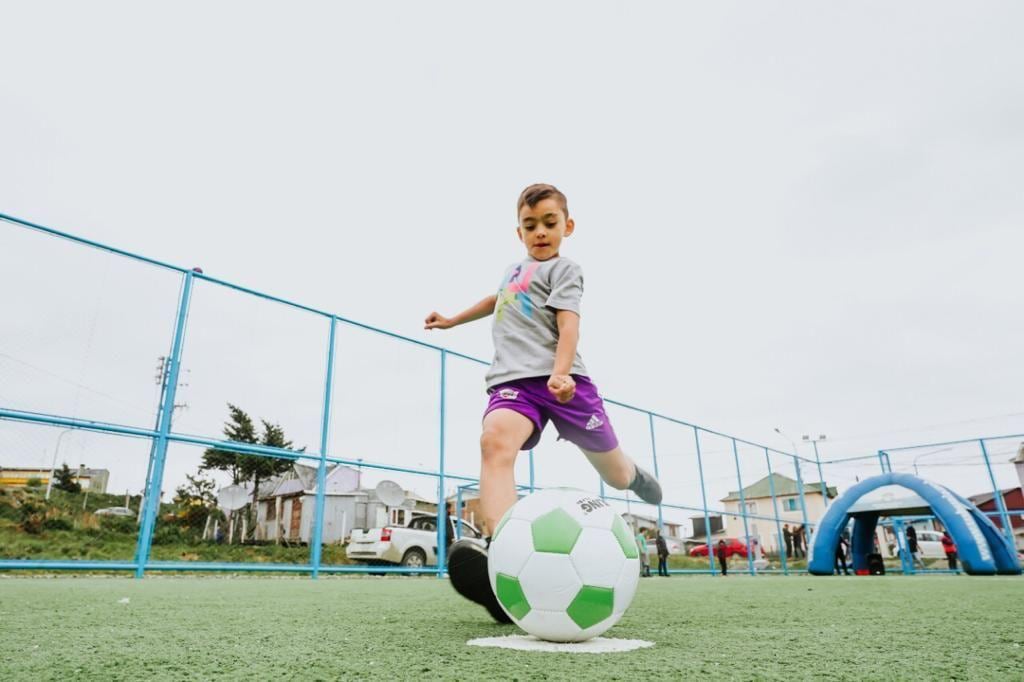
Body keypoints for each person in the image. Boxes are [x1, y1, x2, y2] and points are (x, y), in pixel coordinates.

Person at [426, 184, 663, 622]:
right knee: (494, 443)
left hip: (565, 381)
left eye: (549, 224)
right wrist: (453, 320)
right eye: (530, 225)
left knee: (613, 475)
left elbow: (569, 325)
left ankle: (635, 474)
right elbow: (498, 300)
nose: (540, 232)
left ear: (566, 226)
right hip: (513, 382)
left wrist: (561, 370)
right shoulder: (513, 270)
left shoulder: (565, 269)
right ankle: (501, 560)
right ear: (519, 232)